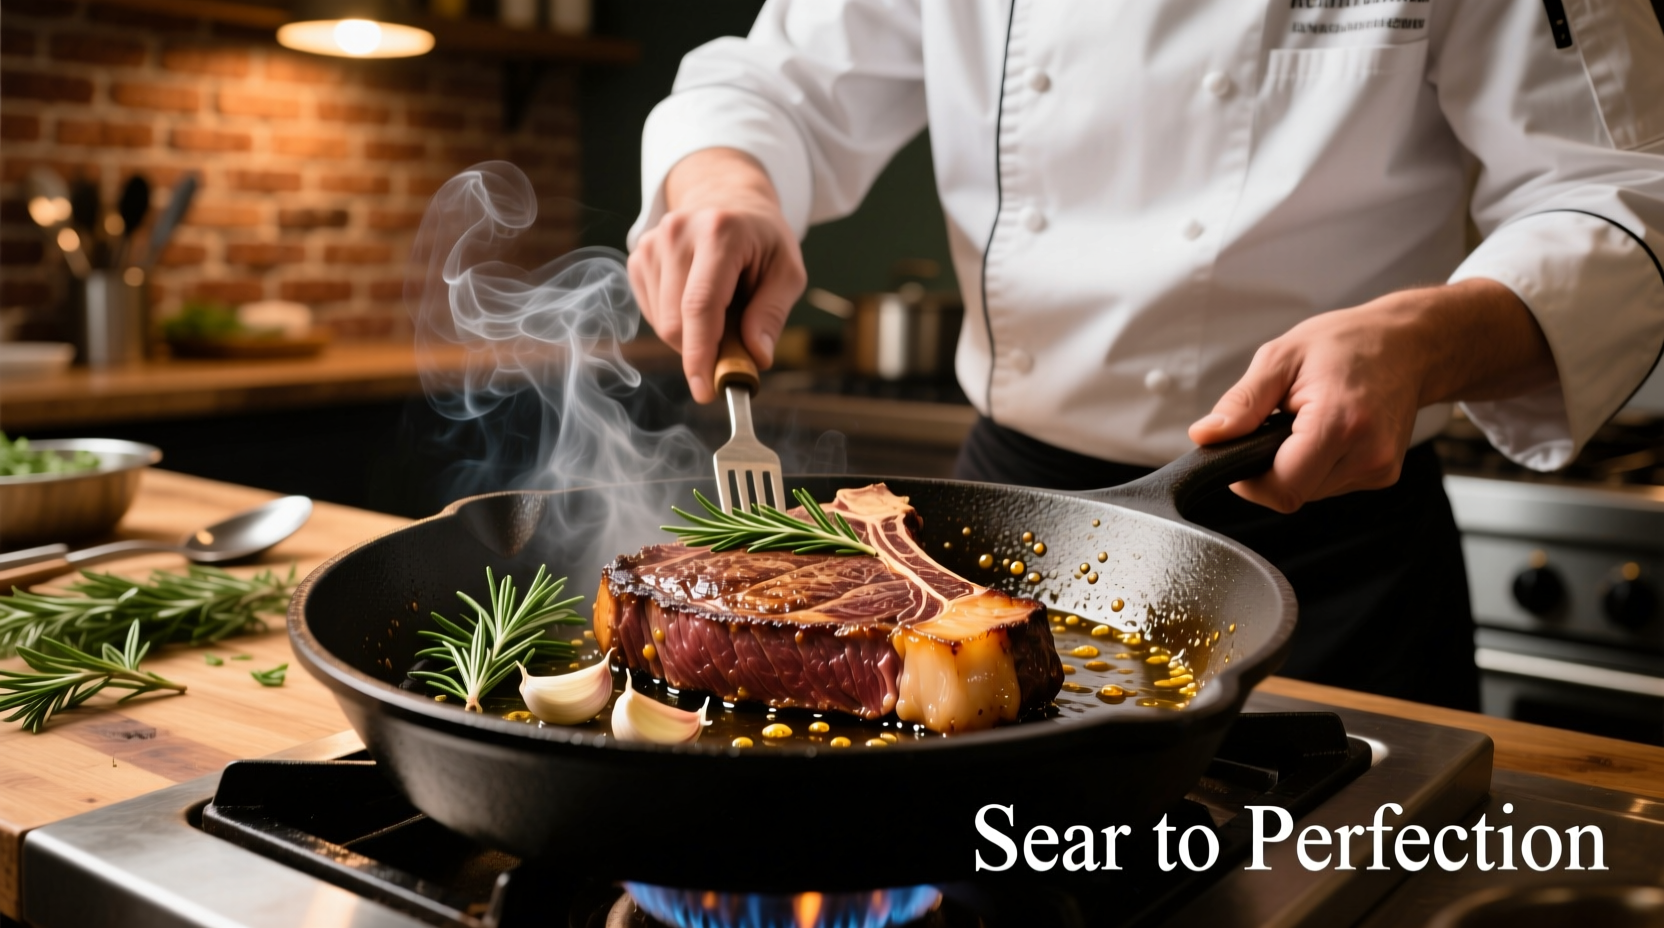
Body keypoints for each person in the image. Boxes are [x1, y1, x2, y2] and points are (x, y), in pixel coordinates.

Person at [624, 1, 1664, 710]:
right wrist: (728, 188)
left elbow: (1622, 188)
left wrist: (1426, 338)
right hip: (1009, 542)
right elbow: (779, 82)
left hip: (1327, 550)